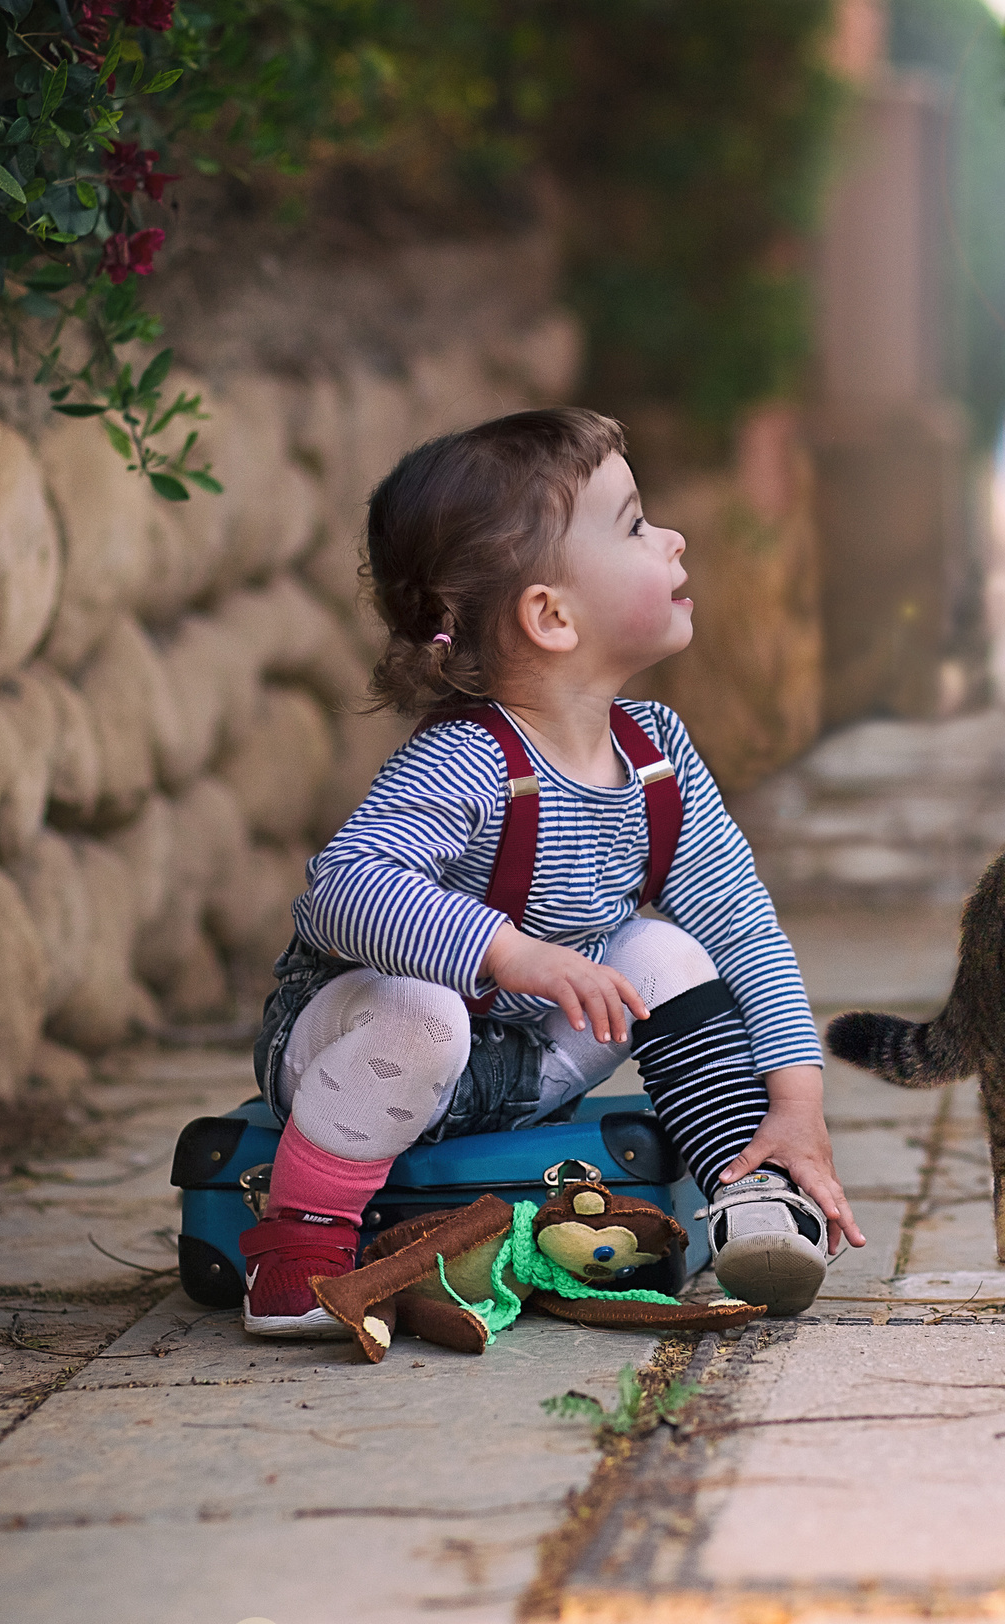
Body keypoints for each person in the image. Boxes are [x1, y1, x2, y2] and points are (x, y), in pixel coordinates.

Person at [240, 407, 863, 1339]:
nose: (674, 537)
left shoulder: (657, 755)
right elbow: (342, 888)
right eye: (637, 524)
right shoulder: (469, 761)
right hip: (353, 1046)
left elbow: (742, 925)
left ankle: (754, 1189)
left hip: (519, 1067)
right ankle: (299, 1250)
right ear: (552, 616)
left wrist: (797, 1095)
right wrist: (508, 952)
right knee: (428, 1010)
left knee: (664, 945)